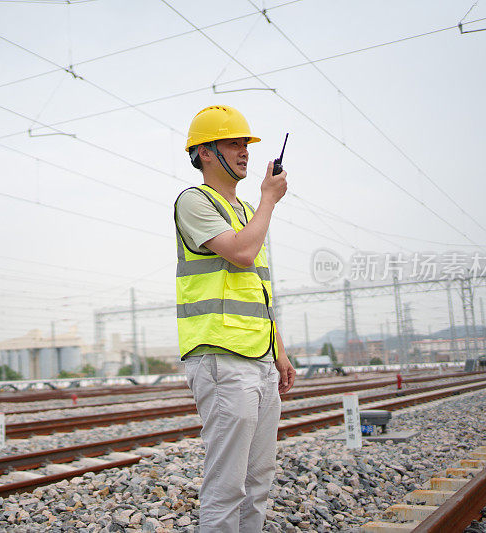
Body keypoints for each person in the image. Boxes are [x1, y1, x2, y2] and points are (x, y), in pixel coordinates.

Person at [174, 104, 296, 532]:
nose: (244, 151)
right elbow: (242, 253)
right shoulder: (193, 202)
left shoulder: (245, 212)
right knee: (228, 486)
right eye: (232, 142)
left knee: (258, 482)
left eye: (246, 143)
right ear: (204, 152)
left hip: (258, 358)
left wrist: (278, 350)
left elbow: (257, 286)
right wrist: (268, 199)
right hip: (221, 358)